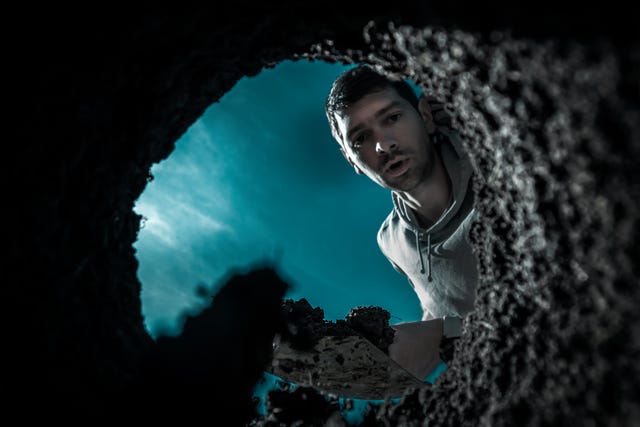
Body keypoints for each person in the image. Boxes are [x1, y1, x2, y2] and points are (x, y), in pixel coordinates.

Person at [324, 64, 480, 381]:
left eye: (392, 118)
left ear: (424, 114)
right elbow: (442, 310)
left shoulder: (492, 170)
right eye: (361, 138)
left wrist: (443, 333)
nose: (384, 145)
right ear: (350, 159)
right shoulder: (392, 241)